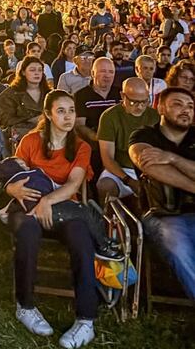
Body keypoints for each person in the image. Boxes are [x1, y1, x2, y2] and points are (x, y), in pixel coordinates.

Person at [5, 90, 97, 349]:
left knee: (81, 237)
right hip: (29, 205)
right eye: (61, 111)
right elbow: (13, 175)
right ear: (48, 114)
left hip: (64, 208)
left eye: (71, 111)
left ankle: (86, 319)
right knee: (27, 230)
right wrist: (12, 190)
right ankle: (25, 306)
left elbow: (74, 184)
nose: (68, 117)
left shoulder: (81, 147)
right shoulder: (31, 141)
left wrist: (48, 201)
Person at [129, 87, 195, 299]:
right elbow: (148, 164)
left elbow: (166, 165)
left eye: (190, 106)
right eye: (177, 104)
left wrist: (172, 159)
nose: (185, 110)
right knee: (179, 246)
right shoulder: (145, 135)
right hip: (162, 215)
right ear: (160, 108)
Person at [96, 77, 159, 207]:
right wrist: (128, 180)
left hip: (147, 170)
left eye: (144, 101)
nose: (140, 107)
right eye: (133, 102)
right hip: (120, 169)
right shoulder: (110, 116)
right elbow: (107, 158)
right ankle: (110, 217)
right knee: (105, 185)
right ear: (122, 96)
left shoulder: (155, 116)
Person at [0, 56, 48, 139]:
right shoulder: (9, 94)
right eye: (32, 70)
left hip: (47, 131)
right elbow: (7, 120)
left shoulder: (49, 93)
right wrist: (31, 119)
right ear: (23, 72)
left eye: (40, 70)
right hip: (21, 134)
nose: (37, 73)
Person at [74, 57, 120, 140]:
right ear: (92, 73)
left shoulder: (120, 94)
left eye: (111, 72)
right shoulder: (81, 95)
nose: (107, 75)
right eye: (103, 71)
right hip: (93, 142)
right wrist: (98, 138)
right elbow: (79, 125)